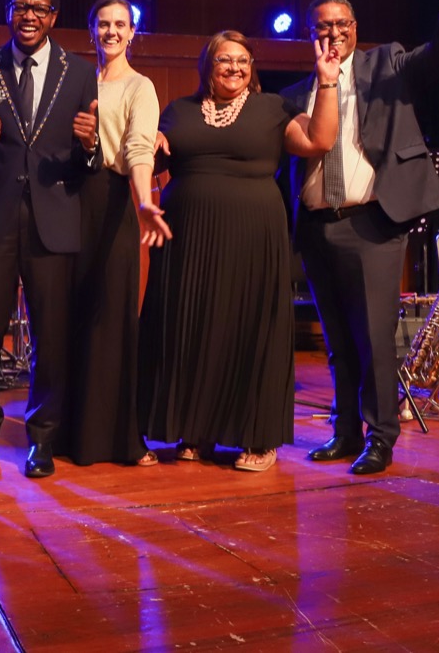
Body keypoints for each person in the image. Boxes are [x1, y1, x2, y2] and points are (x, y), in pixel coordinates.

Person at [285, 0, 439, 476]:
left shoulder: (386, 64)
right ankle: (345, 431)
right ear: (311, 32)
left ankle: (380, 437)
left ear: (354, 29)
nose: (333, 32)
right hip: (320, 225)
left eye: (341, 24)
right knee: (337, 341)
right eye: (323, 25)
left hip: (373, 221)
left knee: (373, 337)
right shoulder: (297, 93)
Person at [139, 31, 341, 473]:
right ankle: (194, 431)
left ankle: (259, 438)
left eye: (243, 60)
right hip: (187, 239)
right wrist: (149, 142)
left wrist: (327, 81)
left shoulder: (272, 109)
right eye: (223, 60)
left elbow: (319, 142)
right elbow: (149, 166)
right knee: (191, 328)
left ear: (253, 67)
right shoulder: (179, 111)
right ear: (207, 66)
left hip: (252, 235)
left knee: (250, 327)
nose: (234, 67)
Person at [0, 0, 99, 479]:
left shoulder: (80, 73)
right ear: (9, 12)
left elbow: (91, 164)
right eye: (21, 7)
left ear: (53, 17)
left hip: (54, 222)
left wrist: (90, 148)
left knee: (51, 336)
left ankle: (42, 438)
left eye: (40, 9)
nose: (29, 16)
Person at [59, 0, 171, 467]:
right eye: (103, 24)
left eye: (119, 25)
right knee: (70, 319)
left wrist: (145, 200)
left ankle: (121, 438)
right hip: (66, 202)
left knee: (111, 318)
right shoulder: (75, 80)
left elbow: (139, 149)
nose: (111, 32)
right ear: (91, 30)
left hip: (112, 200)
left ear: (131, 33)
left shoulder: (139, 87)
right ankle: (70, 436)